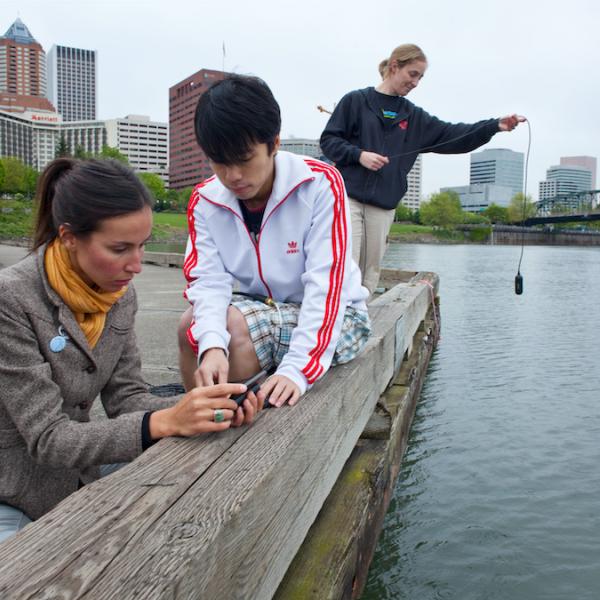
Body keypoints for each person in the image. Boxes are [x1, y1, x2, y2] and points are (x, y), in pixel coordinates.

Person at [0, 158, 260, 544]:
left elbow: (127, 397)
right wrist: (166, 422)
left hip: (82, 474)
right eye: (120, 248)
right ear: (69, 237)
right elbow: (49, 438)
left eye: (142, 246)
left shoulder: (119, 295)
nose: (136, 265)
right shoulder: (13, 298)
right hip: (13, 491)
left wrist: (206, 408)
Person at [178, 74, 371, 408]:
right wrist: (210, 346)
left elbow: (327, 286)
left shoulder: (320, 184)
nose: (233, 176)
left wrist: (298, 368)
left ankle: (226, 430)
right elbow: (208, 282)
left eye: (244, 159)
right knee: (190, 329)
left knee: (235, 332)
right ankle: (198, 419)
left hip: (340, 318)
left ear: (275, 143)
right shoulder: (206, 200)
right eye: (219, 162)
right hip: (264, 306)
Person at [320, 43, 526, 295]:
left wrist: (493, 126)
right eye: (413, 74)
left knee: (368, 274)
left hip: (382, 208)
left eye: (420, 77)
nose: (416, 83)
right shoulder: (356, 101)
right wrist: (359, 155)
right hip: (347, 199)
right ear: (394, 66)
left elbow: (454, 135)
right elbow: (329, 140)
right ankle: (334, 325)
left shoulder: (414, 116)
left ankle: (358, 324)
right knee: (344, 267)